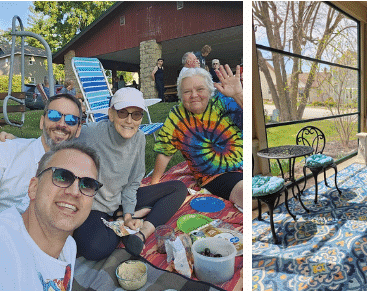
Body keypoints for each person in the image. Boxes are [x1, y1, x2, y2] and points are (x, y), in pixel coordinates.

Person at [73, 87, 186, 260]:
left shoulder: (139, 138)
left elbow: (133, 182)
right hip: (94, 206)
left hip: (121, 199)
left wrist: (127, 215)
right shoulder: (90, 134)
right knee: (94, 248)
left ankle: (140, 234)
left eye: (136, 115)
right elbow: (58, 142)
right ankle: (126, 224)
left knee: (178, 189)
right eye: (123, 113)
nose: (129, 121)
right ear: (111, 114)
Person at [0, 141, 101, 290]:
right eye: (62, 176)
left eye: (87, 184)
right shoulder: (6, 250)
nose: (74, 192)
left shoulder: (68, 247)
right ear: (33, 187)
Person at [153, 66, 242, 208]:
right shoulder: (177, 116)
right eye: (187, 92)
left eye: (200, 89)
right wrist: (154, 185)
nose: (194, 95)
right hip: (217, 175)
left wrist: (238, 94)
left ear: (209, 90)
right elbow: (164, 152)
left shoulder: (224, 101)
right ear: (181, 96)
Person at [0, 94, 83, 213]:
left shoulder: (78, 172)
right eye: (54, 116)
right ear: (42, 121)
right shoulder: (8, 150)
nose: (61, 124)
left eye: (71, 120)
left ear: (78, 130)